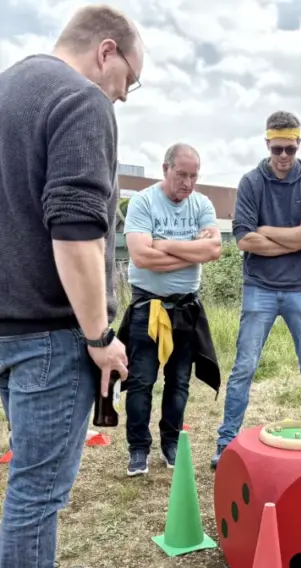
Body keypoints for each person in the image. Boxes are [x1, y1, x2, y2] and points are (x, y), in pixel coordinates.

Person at [0, 5, 143, 567]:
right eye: (130, 78)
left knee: (24, 488)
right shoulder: (82, 100)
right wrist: (101, 336)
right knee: (35, 498)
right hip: (51, 336)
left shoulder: (7, 90)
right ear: (106, 50)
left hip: (7, 323)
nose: (126, 94)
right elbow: (77, 231)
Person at [212, 111, 301, 468]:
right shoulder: (251, 182)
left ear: (298, 145)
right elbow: (244, 240)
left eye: (289, 150)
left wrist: (268, 230)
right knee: (244, 367)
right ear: (266, 144)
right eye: (277, 148)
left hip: (300, 289)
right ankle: (226, 442)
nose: (283, 157)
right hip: (259, 287)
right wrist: (295, 237)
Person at [118, 143, 222, 476]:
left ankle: (171, 442)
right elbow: (141, 257)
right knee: (141, 381)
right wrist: (191, 251)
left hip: (186, 308)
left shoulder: (202, 204)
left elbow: (214, 250)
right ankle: (138, 448)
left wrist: (162, 244)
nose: (188, 184)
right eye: (182, 175)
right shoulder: (143, 202)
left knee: (179, 382)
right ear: (166, 170)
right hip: (149, 306)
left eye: (194, 176)